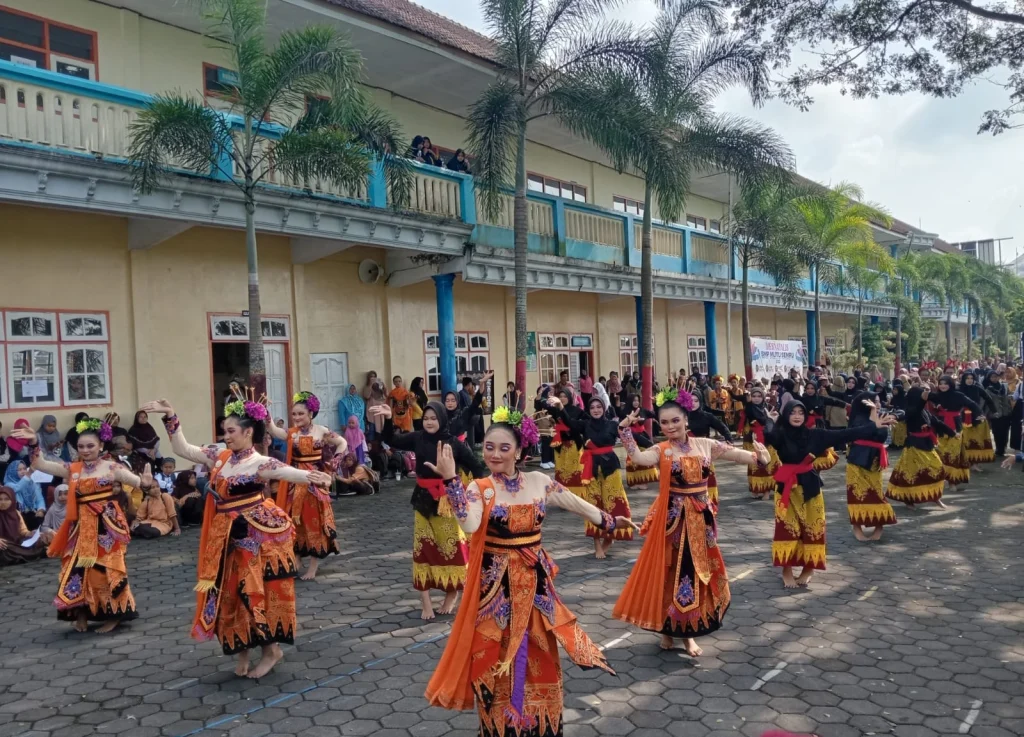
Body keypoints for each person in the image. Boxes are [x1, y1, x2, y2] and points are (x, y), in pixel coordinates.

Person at [424, 411, 631, 735]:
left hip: (535, 586)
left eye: (503, 448)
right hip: (496, 593)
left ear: (520, 451)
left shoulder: (539, 482)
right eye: (489, 447)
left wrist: (609, 520)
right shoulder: (481, 488)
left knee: (540, 651)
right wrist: (452, 481)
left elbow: (576, 503)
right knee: (493, 657)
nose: (494, 454)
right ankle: (498, 727)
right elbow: (469, 523)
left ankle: (540, 725)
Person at [141, 392, 332, 678]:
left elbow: (292, 472)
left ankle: (271, 651)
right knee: (229, 595)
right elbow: (183, 449)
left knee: (254, 594)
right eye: (224, 431)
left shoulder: (262, 463)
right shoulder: (220, 456)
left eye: (231, 431)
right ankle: (241, 649)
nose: (225, 436)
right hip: (224, 536)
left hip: (253, 539)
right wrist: (170, 416)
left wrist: (318, 477)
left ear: (248, 432)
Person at [615, 388, 770, 656]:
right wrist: (625, 431)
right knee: (671, 574)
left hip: (700, 520)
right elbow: (639, 459)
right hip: (673, 522)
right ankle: (667, 629)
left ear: (686, 419)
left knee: (697, 573)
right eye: (664, 422)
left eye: (675, 420)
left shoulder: (705, 445)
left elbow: (737, 455)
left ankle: (689, 634)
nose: (670, 426)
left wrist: (760, 458)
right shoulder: (661, 450)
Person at [11, 417, 153, 633]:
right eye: (81, 446)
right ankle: (81, 613)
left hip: (106, 527)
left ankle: (113, 614)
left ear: (101, 446)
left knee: (103, 571)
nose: (85, 450)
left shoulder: (112, 467)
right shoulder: (73, 469)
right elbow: (41, 464)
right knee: (75, 569)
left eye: (90, 446)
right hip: (79, 527)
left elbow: (138, 483)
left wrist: (146, 481)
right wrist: (33, 443)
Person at [373, 400, 485, 620]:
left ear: (442, 419)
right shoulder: (417, 438)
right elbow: (391, 439)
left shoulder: (453, 443)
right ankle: (426, 604)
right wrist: (388, 419)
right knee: (422, 550)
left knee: (452, 550)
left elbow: (478, 467)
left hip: (448, 503)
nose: (429, 422)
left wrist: (476, 493)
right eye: (425, 418)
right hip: (423, 502)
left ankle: (451, 595)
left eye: (434, 418)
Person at [764, 401, 894, 588]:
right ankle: (786, 570)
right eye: (792, 412)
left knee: (812, 528)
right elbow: (768, 433)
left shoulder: (816, 435)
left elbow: (845, 434)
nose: (797, 416)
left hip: (810, 488)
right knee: (787, 529)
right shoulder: (780, 435)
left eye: (801, 412)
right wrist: (769, 419)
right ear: (786, 415)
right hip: (786, 489)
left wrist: (873, 425)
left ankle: (809, 568)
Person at [267, 391, 347, 581]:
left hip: (314, 481)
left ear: (311, 413)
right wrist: (266, 416)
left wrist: (336, 461)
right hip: (295, 481)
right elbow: (273, 430)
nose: (296, 418)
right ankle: (296, 559)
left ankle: (313, 565)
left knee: (314, 522)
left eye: (301, 414)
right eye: (294, 414)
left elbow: (342, 442)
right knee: (294, 520)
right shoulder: (291, 433)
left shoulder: (321, 431)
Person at [547, 394, 633, 559]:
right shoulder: (584, 424)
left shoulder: (612, 424)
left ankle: (610, 537)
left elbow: (618, 437)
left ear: (604, 408)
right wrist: (560, 407)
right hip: (590, 469)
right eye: (592, 407)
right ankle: (597, 543)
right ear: (589, 409)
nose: (596, 410)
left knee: (613, 502)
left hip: (610, 468)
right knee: (593, 505)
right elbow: (570, 424)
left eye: (599, 407)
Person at [886, 387, 954, 509]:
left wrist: (953, 433)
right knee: (912, 474)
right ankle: (908, 499)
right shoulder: (911, 410)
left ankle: (935, 497)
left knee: (937, 469)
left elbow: (937, 423)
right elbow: (915, 409)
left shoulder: (925, 411)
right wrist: (922, 400)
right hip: (914, 446)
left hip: (927, 444)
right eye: (921, 395)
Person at [845, 392, 898, 541]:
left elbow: (881, 435)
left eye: (878, 401)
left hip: (874, 463)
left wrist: (881, 416)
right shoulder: (858, 419)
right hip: (857, 462)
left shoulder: (880, 416)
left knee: (876, 494)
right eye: (874, 402)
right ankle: (857, 527)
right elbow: (869, 429)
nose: (878, 404)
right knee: (857, 495)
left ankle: (879, 525)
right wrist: (875, 414)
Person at [929, 375, 982, 492]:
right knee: (942, 454)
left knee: (953, 455)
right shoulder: (936, 396)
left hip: (956, 428)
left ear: (950, 384)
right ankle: (943, 478)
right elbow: (922, 396)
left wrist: (979, 414)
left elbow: (973, 404)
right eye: (940, 383)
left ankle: (952, 482)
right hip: (941, 428)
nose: (942, 386)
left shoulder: (959, 395)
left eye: (945, 383)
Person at [741, 386, 779, 499]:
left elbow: (771, 421)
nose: (756, 398)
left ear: (763, 397)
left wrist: (770, 418)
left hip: (768, 439)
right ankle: (756, 489)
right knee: (754, 465)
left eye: (759, 396)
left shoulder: (768, 407)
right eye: (754, 396)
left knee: (767, 465)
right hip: (754, 439)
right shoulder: (748, 408)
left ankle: (767, 491)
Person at [550, 387, 585, 496]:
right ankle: (563, 496)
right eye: (560, 396)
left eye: (565, 396)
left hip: (574, 445)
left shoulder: (577, 410)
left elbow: (586, 422)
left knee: (575, 470)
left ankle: (577, 495)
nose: (562, 398)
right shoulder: (555, 411)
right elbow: (540, 407)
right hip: (560, 446)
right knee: (562, 471)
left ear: (569, 397)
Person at [0, 485, 47, 566]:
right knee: (5, 549)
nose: (3, 502)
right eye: (0, 499)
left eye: (6, 499)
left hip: (15, 542)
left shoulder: (16, 513)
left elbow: (23, 531)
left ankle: (19, 556)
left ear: (13, 500)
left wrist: (32, 533)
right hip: (4, 544)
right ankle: (25, 555)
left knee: (38, 541)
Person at [620, 394, 658, 490]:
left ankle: (643, 481)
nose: (636, 402)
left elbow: (654, 414)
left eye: (637, 400)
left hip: (642, 436)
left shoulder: (643, 410)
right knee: (632, 459)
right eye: (634, 400)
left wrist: (656, 403)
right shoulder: (625, 412)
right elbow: (621, 426)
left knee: (643, 458)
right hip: (631, 437)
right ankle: (634, 481)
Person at [959, 371, 996, 466]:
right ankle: (965, 461)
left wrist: (994, 411)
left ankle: (975, 463)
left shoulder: (977, 388)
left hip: (976, 416)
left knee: (976, 440)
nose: (970, 380)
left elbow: (988, 399)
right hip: (962, 417)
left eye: (971, 378)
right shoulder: (958, 389)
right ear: (964, 379)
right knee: (964, 440)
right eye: (967, 378)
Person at [4, 460, 45, 530]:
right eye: (19, 470)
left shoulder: (32, 482)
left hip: (33, 512)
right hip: (18, 515)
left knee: (40, 519)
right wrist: (28, 474)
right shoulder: (8, 484)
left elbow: (39, 499)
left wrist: (41, 510)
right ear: (13, 471)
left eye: (25, 469)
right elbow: (17, 488)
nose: (23, 471)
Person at [982, 370, 1011, 458]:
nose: (994, 378)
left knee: (1005, 432)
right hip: (995, 414)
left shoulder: (1004, 386)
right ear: (989, 378)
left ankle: (1003, 448)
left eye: (996, 376)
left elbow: (1009, 398)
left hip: (1006, 413)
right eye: (992, 377)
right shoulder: (987, 389)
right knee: (997, 432)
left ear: (999, 377)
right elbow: (985, 402)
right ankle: (999, 449)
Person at [889, 380, 908, 448]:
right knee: (894, 430)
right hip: (895, 415)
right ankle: (894, 443)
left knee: (900, 430)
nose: (894, 391)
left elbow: (905, 408)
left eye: (896, 390)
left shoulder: (904, 398)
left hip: (902, 417)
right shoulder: (894, 398)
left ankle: (900, 443)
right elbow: (892, 405)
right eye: (893, 389)